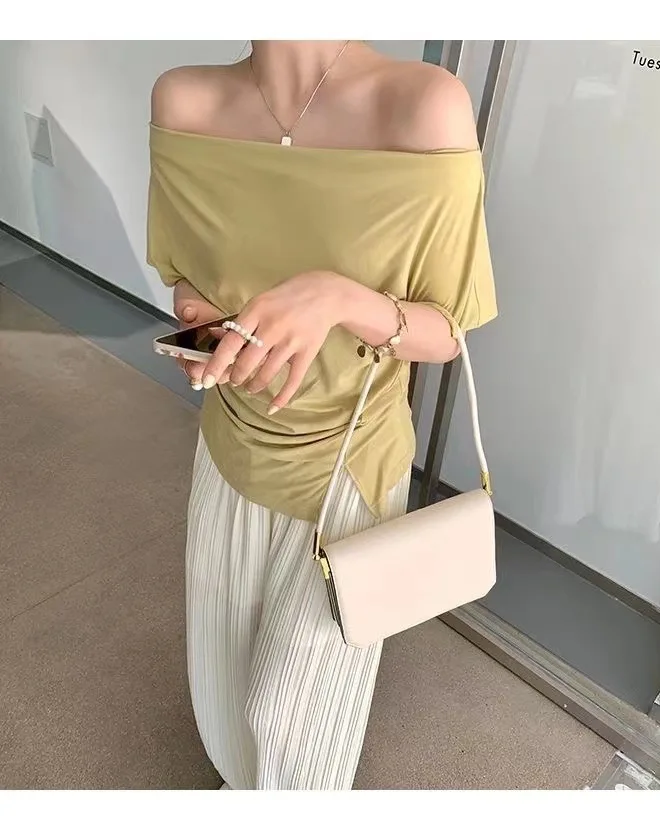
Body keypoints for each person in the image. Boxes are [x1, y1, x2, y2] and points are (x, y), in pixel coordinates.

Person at [147, 40, 497, 790]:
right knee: (220, 672)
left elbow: (448, 329)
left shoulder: (422, 105)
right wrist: (206, 326)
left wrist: (338, 297)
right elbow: (186, 279)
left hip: (349, 467)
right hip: (230, 450)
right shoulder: (184, 100)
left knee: (292, 719)